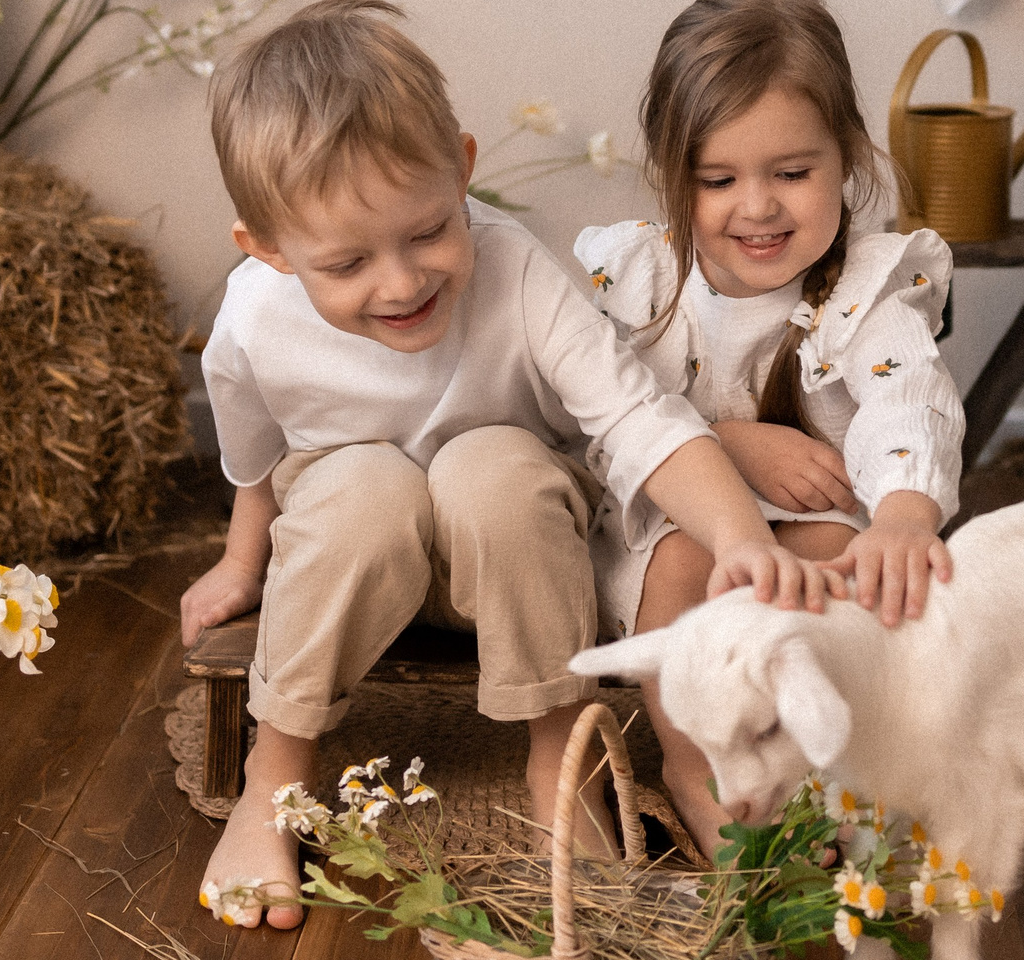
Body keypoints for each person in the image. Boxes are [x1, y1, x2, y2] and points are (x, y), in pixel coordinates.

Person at [180, 0, 841, 929]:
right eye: (348, 263)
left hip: (516, 561)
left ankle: (560, 761)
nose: (402, 282)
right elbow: (254, 460)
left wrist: (739, 538)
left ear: (461, 168)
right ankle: (273, 781)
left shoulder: (517, 272)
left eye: (427, 231)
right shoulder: (252, 319)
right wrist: (241, 562)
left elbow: (637, 417)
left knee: (493, 464)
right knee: (361, 485)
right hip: (355, 555)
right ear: (269, 249)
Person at [574, 0, 965, 856]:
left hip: (814, 519)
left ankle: (811, 770)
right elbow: (598, 417)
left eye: (791, 172)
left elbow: (910, 399)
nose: (756, 207)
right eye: (717, 181)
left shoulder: (867, 290)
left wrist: (904, 515)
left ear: (847, 155)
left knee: (826, 563)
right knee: (684, 565)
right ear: (673, 174)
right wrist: (728, 443)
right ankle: (697, 769)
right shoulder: (647, 281)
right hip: (673, 525)